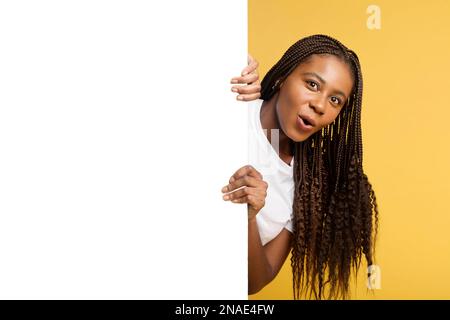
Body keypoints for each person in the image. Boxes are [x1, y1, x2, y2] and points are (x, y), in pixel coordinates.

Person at [223, 34, 379, 300]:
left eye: (335, 100)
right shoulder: (234, 98)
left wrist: (248, 219)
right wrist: (230, 55)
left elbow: (254, 282)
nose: (319, 105)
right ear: (284, 76)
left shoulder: (307, 189)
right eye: (312, 84)